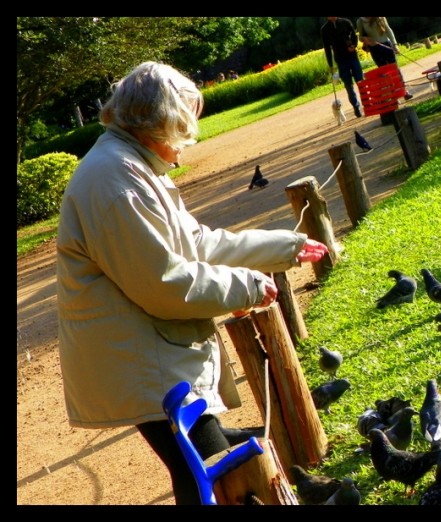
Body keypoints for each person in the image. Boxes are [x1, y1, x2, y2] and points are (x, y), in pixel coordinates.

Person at [55, 61, 330, 505]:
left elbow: (196, 243)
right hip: (147, 363)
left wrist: (282, 247)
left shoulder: (133, 166)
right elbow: (166, 284)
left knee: (208, 464)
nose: (187, 144)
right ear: (160, 123)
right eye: (184, 129)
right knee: (205, 474)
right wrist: (248, 286)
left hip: (157, 356)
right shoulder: (117, 180)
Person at [357, 17, 413, 100]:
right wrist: (365, 39)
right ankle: (393, 96)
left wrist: (395, 45)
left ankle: (404, 91)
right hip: (374, 49)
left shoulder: (380, 18)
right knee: (384, 73)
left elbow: (388, 30)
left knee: (395, 69)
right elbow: (360, 37)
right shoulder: (360, 21)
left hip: (386, 45)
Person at [321, 16, 364, 118]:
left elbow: (354, 35)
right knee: (348, 85)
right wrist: (331, 65)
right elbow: (327, 48)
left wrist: (353, 45)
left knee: (360, 81)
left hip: (352, 56)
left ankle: (367, 103)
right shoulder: (325, 29)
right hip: (340, 60)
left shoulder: (346, 22)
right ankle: (356, 106)